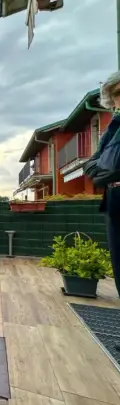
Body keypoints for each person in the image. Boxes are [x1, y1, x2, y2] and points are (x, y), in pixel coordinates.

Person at [86, 71, 120, 297]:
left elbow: (108, 165)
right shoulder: (113, 128)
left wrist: (104, 170)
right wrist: (105, 171)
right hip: (114, 202)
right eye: (118, 93)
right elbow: (92, 165)